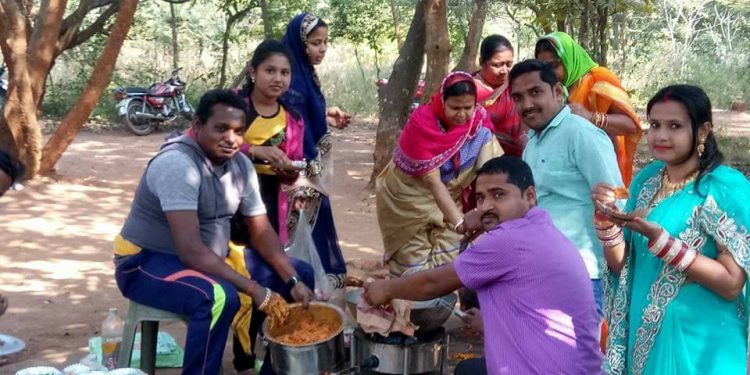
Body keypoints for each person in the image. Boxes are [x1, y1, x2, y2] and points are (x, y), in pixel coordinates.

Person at [113, 90, 314, 375]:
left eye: (238, 131)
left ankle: (276, 370)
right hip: (146, 263)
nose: (231, 139)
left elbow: (261, 231)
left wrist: (290, 279)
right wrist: (255, 290)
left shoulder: (241, 165)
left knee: (300, 274)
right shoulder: (178, 165)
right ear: (197, 125)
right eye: (221, 128)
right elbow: (191, 251)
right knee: (219, 297)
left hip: (210, 257)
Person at [365, 155, 603, 375]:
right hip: (581, 366)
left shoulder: (509, 239)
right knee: (469, 370)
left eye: (498, 195)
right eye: (480, 198)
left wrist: (386, 289)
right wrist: (489, 321)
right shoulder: (542, 228)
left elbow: (433, 284)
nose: (487, 205)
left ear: (529, 196)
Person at [592, 84, 750, 375]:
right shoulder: (647, 181)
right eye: (654, 125)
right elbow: (625, 268)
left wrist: (662, 242)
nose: (661, 135)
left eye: (674, 126)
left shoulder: (723, 188)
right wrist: (607, 224)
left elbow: (731, 284)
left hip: (698, 342)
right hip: (645, 332)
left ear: (702, 132)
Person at [227, 39, 314, 375]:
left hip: (269, 206)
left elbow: (291, 169)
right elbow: (209, 139)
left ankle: (259, 351)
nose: (277, 78)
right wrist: (255, 151)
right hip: (229, 208)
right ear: (253, 72)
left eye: (285, 72)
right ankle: (244, 360)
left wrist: (290, 172)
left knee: (272, 277)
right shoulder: (235, 108)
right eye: (270, 70)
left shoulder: (291, 117)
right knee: (244, 279)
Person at [509, 59, 623, 316]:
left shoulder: (581, 134)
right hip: (542, 269)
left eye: (535, 92)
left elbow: (615, 201)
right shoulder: (532, 145)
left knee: (576, 355)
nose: (527, 105)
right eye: (518, 97)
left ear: (558, 92)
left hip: (582, 274)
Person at [376, 71, 503, 276]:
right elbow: (434, 184)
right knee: (412, 266)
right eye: (455, 107)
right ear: (442, 102)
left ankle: (438, 306)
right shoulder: (422, 125)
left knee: (448, 262)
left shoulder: (478, 126)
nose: (462, 114)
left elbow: (492, 173)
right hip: (409, 200)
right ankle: (408, 304)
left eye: (467, 107)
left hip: (449, 200)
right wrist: (460, 223)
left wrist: (485, 212)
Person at [281, 13, 349, 289]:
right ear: (300, 43)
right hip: (299, 172)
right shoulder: (291, 79)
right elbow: (291, 122)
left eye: (325, 43)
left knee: (312, 229)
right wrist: (308, 165)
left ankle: (311, 287)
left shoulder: (304, 73)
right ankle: (302, 288)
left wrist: (324, 115)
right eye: (315, 43)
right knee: (300, 232)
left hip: (310, 170)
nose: (321, 49)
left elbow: (306, 115)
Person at [535, 31, 641, 186]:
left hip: (602, 165)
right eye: (543, 68)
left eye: (554, 66)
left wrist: (591, 117)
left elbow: (631, 125)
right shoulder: (552, 89)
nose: (549, 73)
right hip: (568, 169)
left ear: (569, 60)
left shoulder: (599, 78)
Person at [472, 34, 525, 156]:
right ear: (481, 62)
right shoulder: (468, 89)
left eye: (509, 64)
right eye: (497, 65)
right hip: (481, 159)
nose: (504, 71)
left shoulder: (516, 84)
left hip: (518, 156)